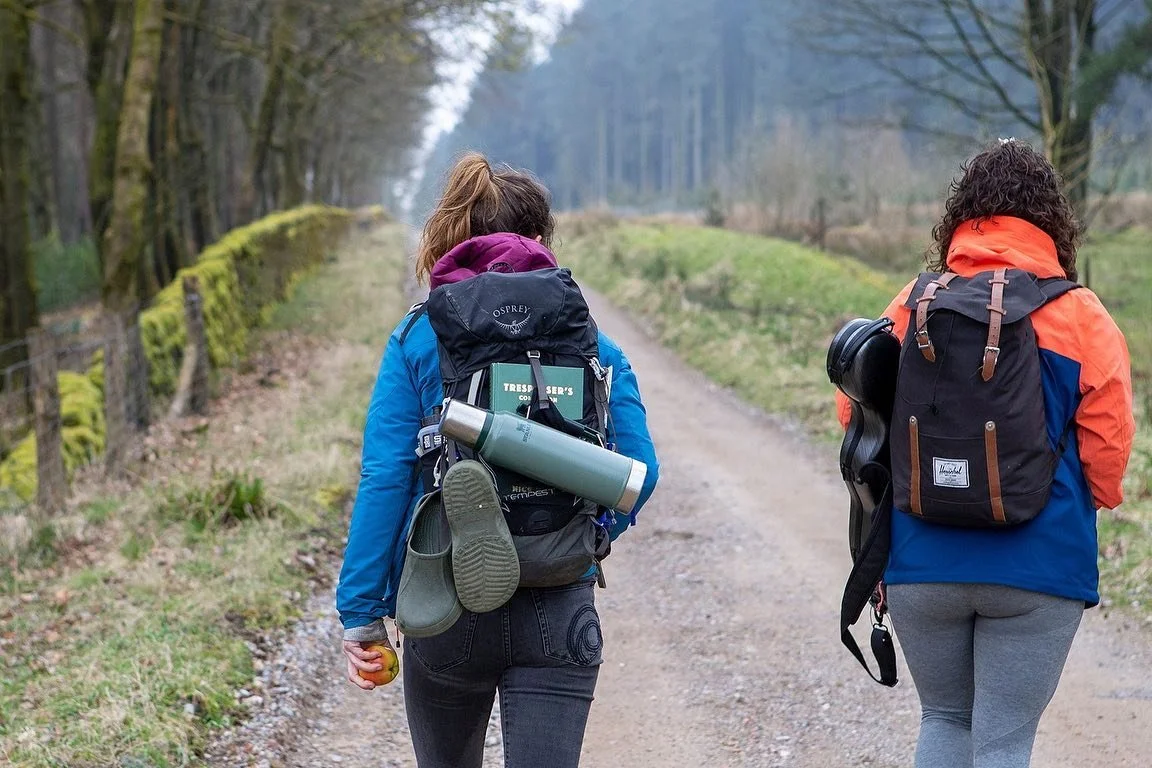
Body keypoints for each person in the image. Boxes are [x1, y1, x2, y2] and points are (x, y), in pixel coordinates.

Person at [336, 152, 660, 768]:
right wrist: (582, 536)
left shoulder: (416, 338)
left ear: (454, 236)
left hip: (446, 603)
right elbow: (638, 474)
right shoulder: (591, 341)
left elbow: (385, 476)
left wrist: (362, 613)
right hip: (558, 602)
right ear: (539, 239)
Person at [837, 140, 1135, 767]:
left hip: (923, 559)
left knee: (944, 720)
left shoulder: (914, 303)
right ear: (1051, 221)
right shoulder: (1082, 315)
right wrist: (1094, 499)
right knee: (1003, 741)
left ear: (963, 215)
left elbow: (854, 415)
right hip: (1038, 564)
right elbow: (1108, 452)